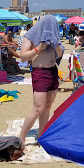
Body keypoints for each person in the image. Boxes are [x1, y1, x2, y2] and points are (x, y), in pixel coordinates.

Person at [19, 15, 64, 143]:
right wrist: (39, 48)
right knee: (38, 108)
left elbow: (60, 54)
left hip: (53, 71)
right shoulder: (30, 35)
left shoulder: (54, 37)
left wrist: (54, 44)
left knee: (48, 106)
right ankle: (21, 139)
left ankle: (41, 136)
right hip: (40, 72)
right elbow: (23, 57)